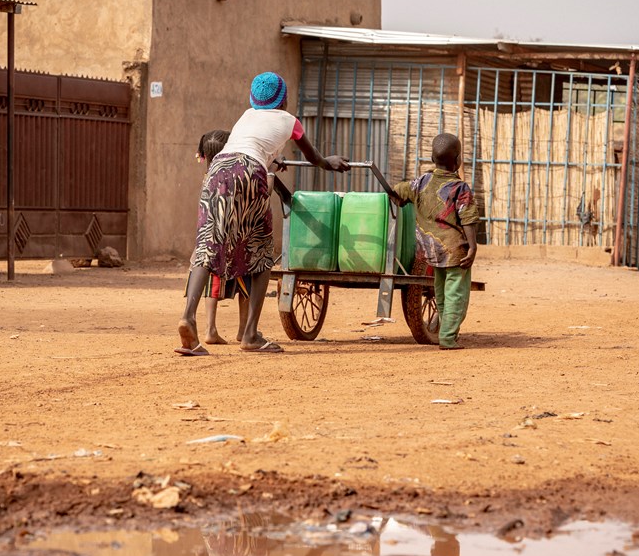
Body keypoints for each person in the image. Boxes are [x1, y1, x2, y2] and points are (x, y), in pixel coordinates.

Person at [176, 72, 349, 356]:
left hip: (219, 169)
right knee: (261, 251)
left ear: (254, 100)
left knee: (207, 243)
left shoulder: (246, 116)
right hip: (250, 171)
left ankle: (188, 317)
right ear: (283, 99)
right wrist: (329, 163)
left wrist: (272, 157)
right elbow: (313, 158)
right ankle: (250, 334)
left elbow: (249, 145)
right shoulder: (290, 121)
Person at [392, 133, 478, 350]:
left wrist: (400, 198)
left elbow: (397, 191)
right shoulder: (460, 188)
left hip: (430, 251)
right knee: (456, 295)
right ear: (458, 161)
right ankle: (448, 338)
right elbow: (467, 218)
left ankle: (444, 332)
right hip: (455, 251)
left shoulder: (421, 182)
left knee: (440, 291)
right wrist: (473, 245)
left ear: (432, 157)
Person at [190, 130, 250, 348]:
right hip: (232, 237)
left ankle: (210, 329)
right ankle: (244, 329)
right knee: (248, 277)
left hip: (207, 239)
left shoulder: (207, 177)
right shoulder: (230, 175)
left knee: (211, 282)